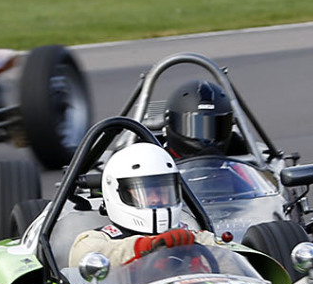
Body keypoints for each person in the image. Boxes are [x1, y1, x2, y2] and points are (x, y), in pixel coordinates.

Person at [70, 142, 210, 271]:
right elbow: (84, 256)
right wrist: (149, 246)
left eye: (162, 191)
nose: (155, 199)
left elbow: (222, 252)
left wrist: (199, 255)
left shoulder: (187, 236)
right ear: (118, 193)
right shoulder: (97, 240)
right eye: (146, 193)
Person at [163, 79, 236, 158]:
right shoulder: (158, 159)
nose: (206, 141)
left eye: (215, 128)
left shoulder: (240, 153)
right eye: (196, 127)